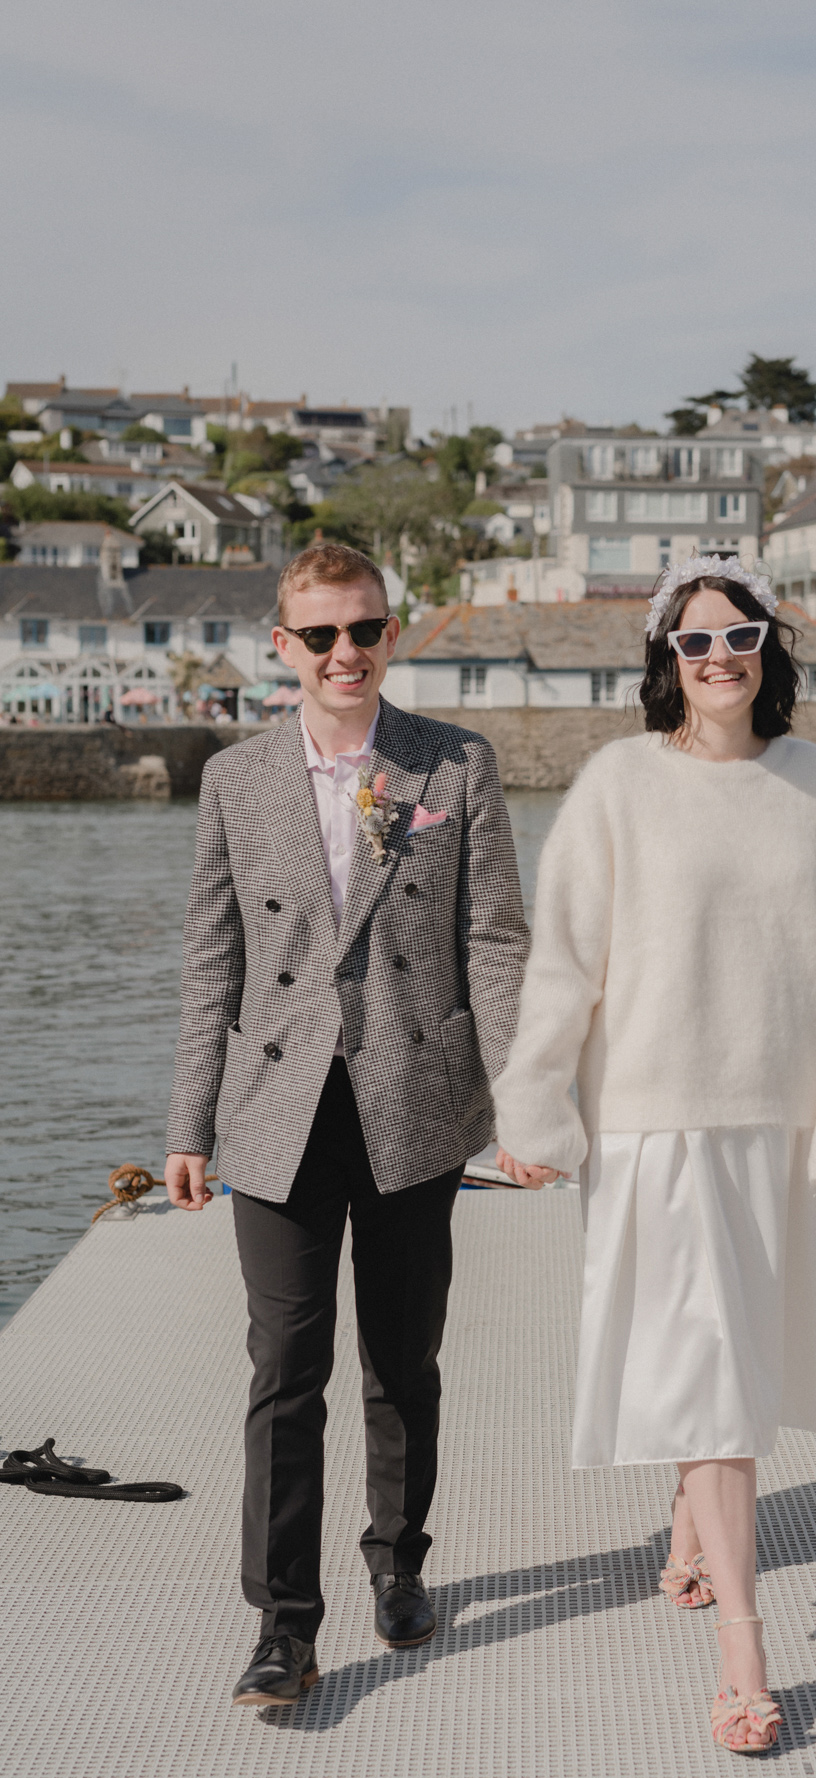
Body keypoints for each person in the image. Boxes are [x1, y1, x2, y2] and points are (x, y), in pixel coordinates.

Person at [493, 554, 816, 1754]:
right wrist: (536, 1110)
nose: (719, 658)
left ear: (771, 649)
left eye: (741, 637)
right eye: (695, 642)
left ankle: (686, 1524)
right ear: (663, 661)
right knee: (711, 1364)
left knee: (734, 1351)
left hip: (773, 1119)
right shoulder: (618, 784)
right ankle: (744, 1644)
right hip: (652, 1123)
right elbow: (563, 961)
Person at [164, 542, 529, 1707]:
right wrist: (189, 1122)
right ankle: (282, 1621)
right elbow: (211, 962)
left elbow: (494, 942)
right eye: (319, 635)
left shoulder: (452, 766)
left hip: (414, 1099)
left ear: (390, 632)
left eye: (363, 630)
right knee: (285, 1367)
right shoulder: (232, 778)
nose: (344, 653)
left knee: (403, 1358)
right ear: (283, 646)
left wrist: (520, 1096)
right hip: (276, 1108)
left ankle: (399, 1559)